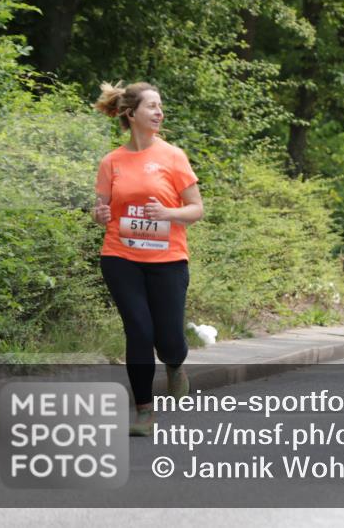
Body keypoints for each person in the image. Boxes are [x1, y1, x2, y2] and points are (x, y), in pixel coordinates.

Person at [92, 81, 204, 436]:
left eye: (160, 106)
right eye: (152, 106)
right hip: (120, 256)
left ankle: (174, 364)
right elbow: (102, 207)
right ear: (131, 114)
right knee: (138, 330)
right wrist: (99, 214)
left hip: (168, 258)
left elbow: (196, 209)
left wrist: (167, 214)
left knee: (168, 338)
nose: (160, 112)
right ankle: (143, 412)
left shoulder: (174, 156)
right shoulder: (112, 162)